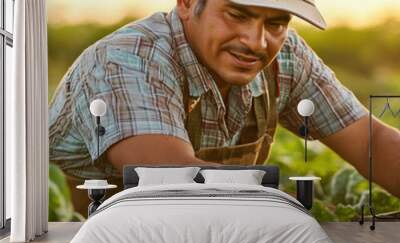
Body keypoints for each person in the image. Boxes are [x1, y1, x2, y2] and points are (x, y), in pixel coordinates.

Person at [49, 0, 400, 212]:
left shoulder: (287, 56)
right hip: (78, 224)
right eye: (236, 14)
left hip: (209, 225)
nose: (256, 41)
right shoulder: (129, 57)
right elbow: (172, 177)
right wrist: (295, 205)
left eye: (276, 22)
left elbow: (371, 142)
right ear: (187, 3)